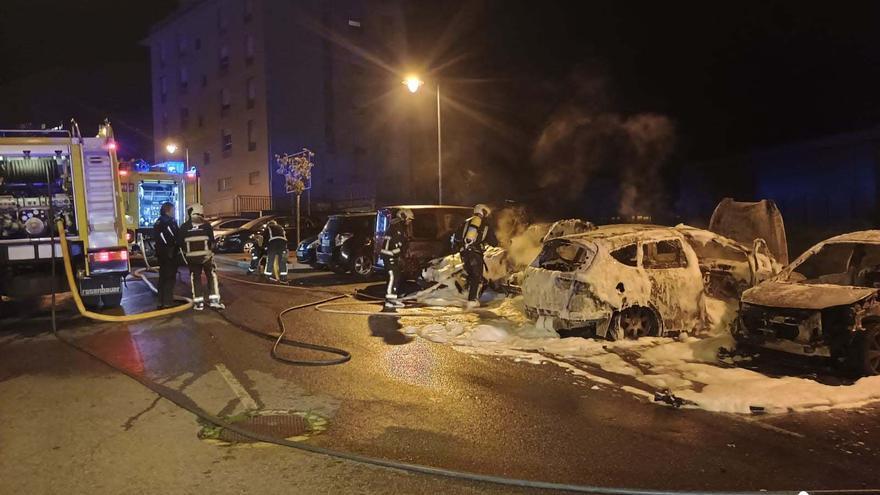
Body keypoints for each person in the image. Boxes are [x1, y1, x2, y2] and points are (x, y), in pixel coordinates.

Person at [180, 203, 224, 310]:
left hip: (192, 259)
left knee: (195, 278)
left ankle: (198, 303)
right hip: (206, 258)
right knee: (211, 276)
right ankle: (214, 301)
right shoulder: (206, 225)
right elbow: (212, 243)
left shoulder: (184, 226)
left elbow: (180, 243)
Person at [459, 204, 493, 309]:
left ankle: (467, 295)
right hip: (475, 253)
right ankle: (472, 300)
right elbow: (493, 240)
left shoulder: (466, 222)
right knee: (476, 277)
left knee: (470, 274)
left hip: (464, 253)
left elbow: (456, 236)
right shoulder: (484, 224)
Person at [380, 208, 414, 310]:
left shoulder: (397, 226)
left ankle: (393, 298)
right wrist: (401, 253)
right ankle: (390, 301)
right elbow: (396, 246)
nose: (409, 222)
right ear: (403, 217)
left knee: (396, 276)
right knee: (393, 277)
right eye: (409, 219)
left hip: (391, 255)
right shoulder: (397, 228)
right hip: (390, 256)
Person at [153, 202, 180, 309]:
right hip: (170, 253)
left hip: (161, 254)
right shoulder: (170, 222)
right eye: (173, 210)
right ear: (168, 210)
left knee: (162, 277)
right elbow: (175, 237)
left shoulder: (158, 222)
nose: (174, 212)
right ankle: (168, 302)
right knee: (170, 277)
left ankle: (160, 301)